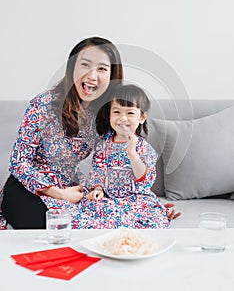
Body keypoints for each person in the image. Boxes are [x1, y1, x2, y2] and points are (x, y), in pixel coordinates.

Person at [0, 37, 179, 230]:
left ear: (112, 75)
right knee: (54, 225)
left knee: (101, 224)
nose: (92, 76)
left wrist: (145, 206)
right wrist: (60, 193)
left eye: (102, 69)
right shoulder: (43, 104)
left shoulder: (107, 113)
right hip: (29, 188)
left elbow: (117, 164)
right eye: (85, 65)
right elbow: (19, 162)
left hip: (73, 189)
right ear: (72, 68)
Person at [85, 84, 176, 228]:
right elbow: (98, 172)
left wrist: (132, 153)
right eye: (117, 112)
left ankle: (125, 225)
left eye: (130, 113)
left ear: (142, 117)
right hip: (109, 199)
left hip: (136, 199)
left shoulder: (143, 147)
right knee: (90, 211)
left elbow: (144, 178)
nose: (122, 119)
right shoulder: (103, 146)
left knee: (153, 220)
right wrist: (98, 190)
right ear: (110, 115)